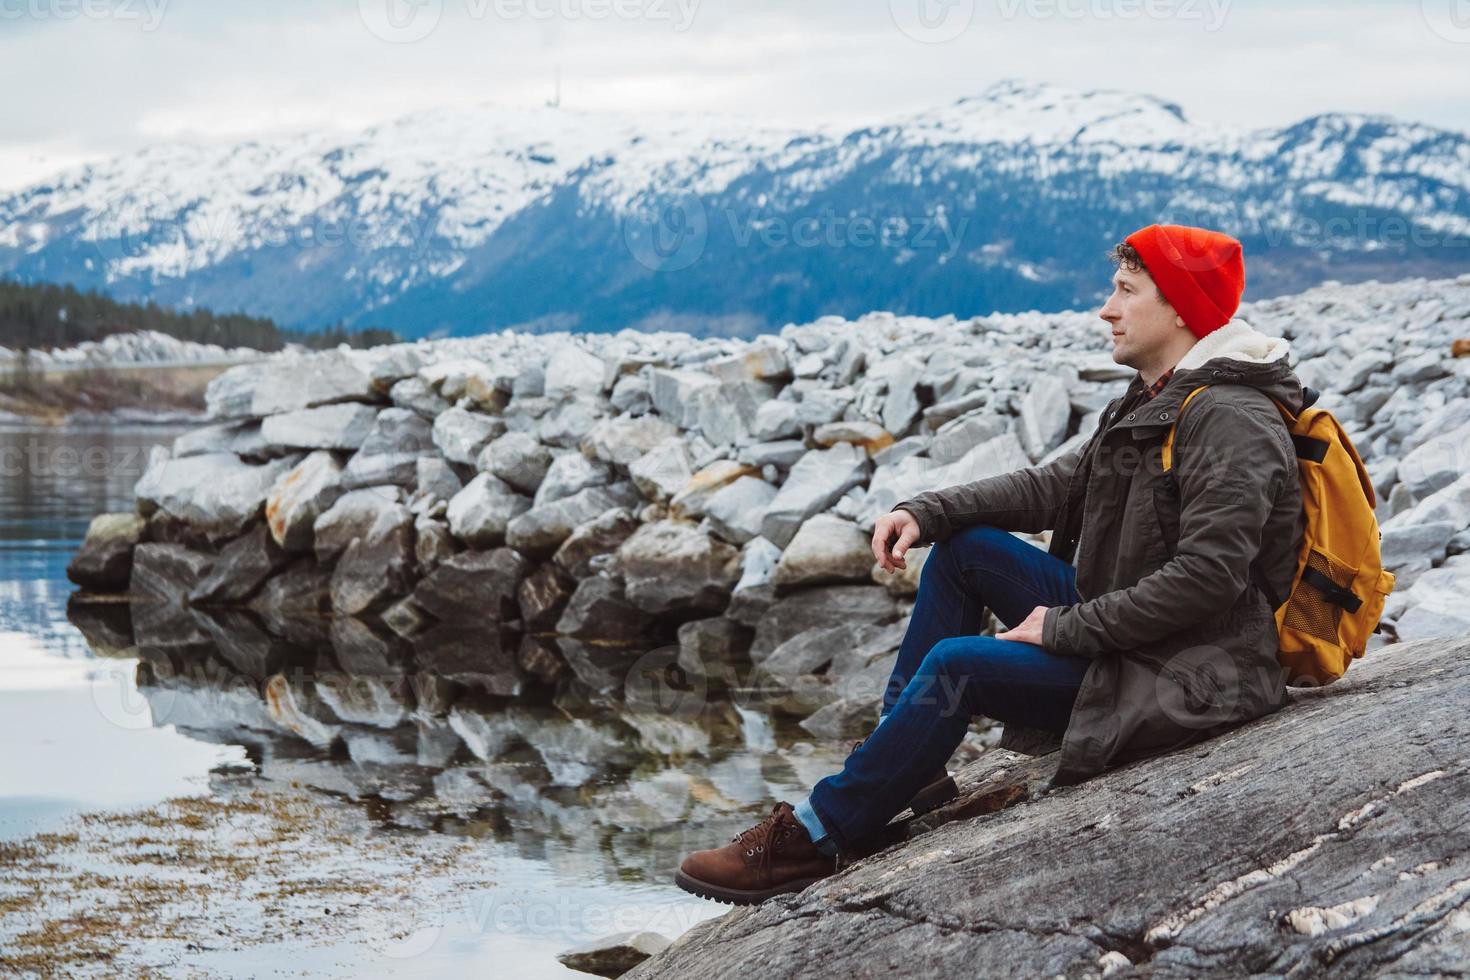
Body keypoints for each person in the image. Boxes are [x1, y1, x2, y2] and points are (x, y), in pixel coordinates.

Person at [674, 224, 1308, 906]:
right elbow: (1058, 487)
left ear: (1181, 309)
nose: (1106, 309)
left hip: (1185, 672)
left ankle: (814, 836)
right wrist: (929, 512)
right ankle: (901, 766)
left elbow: (1209, 580)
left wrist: (1064, 627)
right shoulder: (1165, 397)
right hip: (1140, 641)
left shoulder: (1230, 419)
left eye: (1125, 291)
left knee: (957, 664)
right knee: (965, 552)